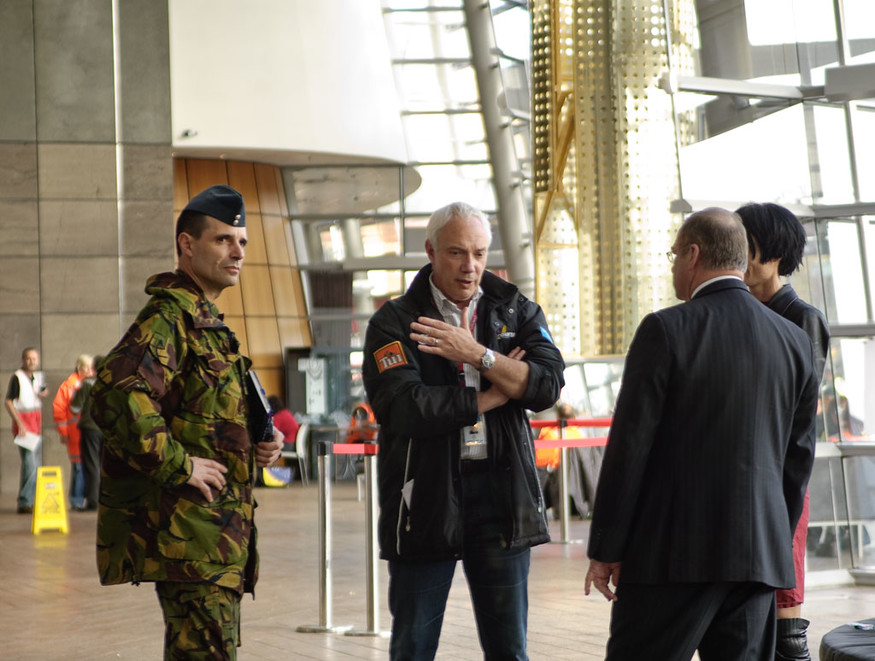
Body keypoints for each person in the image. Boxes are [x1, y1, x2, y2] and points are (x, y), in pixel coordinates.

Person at [585, 208, 819, 661]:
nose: (672, 265)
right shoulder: (793, 340)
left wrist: (607, 549)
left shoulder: (667, 329)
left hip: (671, 557)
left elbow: (630, 448)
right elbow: (798, 461)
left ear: (693, 255)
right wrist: (772, 541)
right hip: (758, 560)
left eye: (674, 254)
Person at [362, 201, 565, 660]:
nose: (470, 266)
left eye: (478, 252)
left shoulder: (516, 310)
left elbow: (547, 384)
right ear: (431, 251)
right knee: (413, 646)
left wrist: (477, 355)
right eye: (456, 253)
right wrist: (495, 394)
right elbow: (404, 408)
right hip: (425, 497)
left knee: (509, 649)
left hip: (502, 497)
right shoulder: (394, 322)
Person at [91, 184, 283, 660]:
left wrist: (259, 442)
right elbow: (117, 394)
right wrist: (181, 466)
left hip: (215, 539)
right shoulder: (169, 319)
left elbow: (207, 414)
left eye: (241, 241)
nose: (237, 252)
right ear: (187, 244)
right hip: (191, 534)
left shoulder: (208, 324)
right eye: (222, 240)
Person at [737, 201, 830, 661]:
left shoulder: (801, 316)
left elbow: (797, 414)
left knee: (784, 599)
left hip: (781, 473)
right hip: (745, 473)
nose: (739, 259)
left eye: (746, 248)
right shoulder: (739, 310)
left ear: (772, 253)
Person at [5, 348, 48, 514]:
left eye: (34, 358)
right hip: (25, 427)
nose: (32, 361)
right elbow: (8, 401)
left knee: (34, 466)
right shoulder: (18, 377)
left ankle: (28, 499)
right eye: (29, 358)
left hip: (36, 425)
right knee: (30, 465)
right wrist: (19, 423)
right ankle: (25, 501)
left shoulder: (36, 377)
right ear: (23, 360)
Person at [53, 354, 93, 510]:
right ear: (79, 367)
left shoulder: (90, 383)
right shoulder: (68, 386)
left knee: (91, 466)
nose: (90, 370)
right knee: (78, 467)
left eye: (91, 367)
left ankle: (90, 499)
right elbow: (59, 409)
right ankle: (76, 501)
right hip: (75, 433)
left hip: (88, 432)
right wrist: (62, 431)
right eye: (87, 367)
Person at [70, 355, 104, 511]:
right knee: (105, 466)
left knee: (91, 465)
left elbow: (75, 408)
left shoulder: (87, 384)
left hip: (90, 428)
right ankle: (105, 500)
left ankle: (92, 501)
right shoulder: (112, 384)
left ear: (94, 368)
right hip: (108, 429)